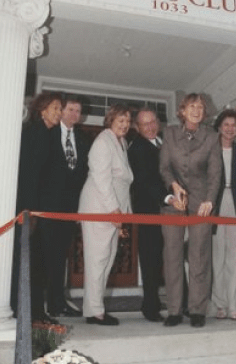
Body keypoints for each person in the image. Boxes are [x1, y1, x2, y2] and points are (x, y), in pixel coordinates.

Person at [159, 93, 221, 328]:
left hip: (201, 203)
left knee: (199, 257)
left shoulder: (212, 137)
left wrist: (209, 200)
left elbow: (215, 174)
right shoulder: (170, 133)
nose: (196, 110)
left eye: (201, 107)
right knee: (172, 255)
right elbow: (164, 168)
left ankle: (197, 310)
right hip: (174, 202)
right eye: (192, 106)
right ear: (182, 111)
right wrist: (173, 186)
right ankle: (174, 310)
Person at [78, 104, 134, 326]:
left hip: (113, 211)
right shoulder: (103, 141)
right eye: (121, 120)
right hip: (100, 208)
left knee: (105, 261)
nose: (125, 124)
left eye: (128, 121)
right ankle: (94, 312)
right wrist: (114, 210)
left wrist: (123, 217)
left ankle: (95, 308)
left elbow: (123, 182)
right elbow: (102, 179)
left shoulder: (121, 143)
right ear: (110, 120)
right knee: (97, 260)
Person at [11, 92, 63, 324]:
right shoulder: (33, 134)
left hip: (43, 211)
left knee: (39, 264)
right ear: (42, 110)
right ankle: (26, 313)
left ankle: (36, 313)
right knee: (27, 264)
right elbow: (29, 176)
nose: (59, 113)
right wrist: (29, 213)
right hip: (31, 212)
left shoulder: (51, 135)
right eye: (55, 108)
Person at [39, 94, 89, 318]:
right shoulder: (47, 133)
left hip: (69, 209)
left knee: (61, 256)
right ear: (61, 111)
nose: (73, 114)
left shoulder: (83, 138)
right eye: (70, 109)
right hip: (46, 207)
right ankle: (38, 306)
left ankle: (58, 303)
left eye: (77, 111)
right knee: (43, 256)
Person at [127, 107, 168, 322]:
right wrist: (168, 198)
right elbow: (146, 180)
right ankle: (150, 306)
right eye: (145, 124)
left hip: (166, 212)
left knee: (169, 257)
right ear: (137, 127)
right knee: (151, 259)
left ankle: (174, 302)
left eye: (153, 122)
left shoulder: (162, 143)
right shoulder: (137, 148)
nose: (150, 126)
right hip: (149, 211)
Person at [211, 109, 236, 321]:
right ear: (219, 126)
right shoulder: (210, 149)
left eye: (233, 125)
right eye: (226, 124)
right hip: (216, 204)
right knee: (217, 256)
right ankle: (219, 304)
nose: (229, 129)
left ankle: (233, 304)